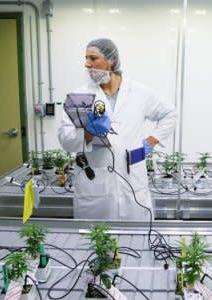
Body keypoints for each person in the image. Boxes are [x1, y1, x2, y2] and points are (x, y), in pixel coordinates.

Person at [58, 38, 177, 220]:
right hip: (95, 185)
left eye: (93, 58)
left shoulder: (139, 92)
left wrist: (148, 145)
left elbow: (169, 113)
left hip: (132, 180)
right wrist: (88, 133)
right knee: (96, 243)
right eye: (86, 58)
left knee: (135, 242)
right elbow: (66, 140)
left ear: (111, 60)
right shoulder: (78, 96)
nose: (87, 64)